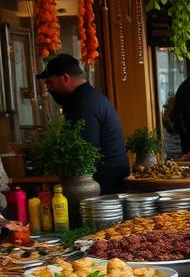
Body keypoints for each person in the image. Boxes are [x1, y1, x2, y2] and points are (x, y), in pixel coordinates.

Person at [37, 53, 127, 193]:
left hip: (103, 190)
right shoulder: (89, 97)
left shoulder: (81, 105)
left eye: (50, 82)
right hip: (109, 185)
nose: (48, 89)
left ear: (66, 78)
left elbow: (82, 155)